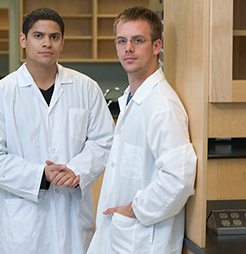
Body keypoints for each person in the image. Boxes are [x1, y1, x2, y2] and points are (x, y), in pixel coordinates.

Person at [0, 7, 115, 254]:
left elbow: (104, 141)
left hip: (72, 216)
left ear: (62, 43)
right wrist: (41, 175)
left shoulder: (86, 88)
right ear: (23, 40)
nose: (46, 43)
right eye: (38, 36)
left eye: (54, 36)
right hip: (22, 221)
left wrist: (77, 170)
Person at [87, 6, 197, 254]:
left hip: (143, 241)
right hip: (122, 237)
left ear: (157, 46)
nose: (128, 48)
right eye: (122, 41)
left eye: (138, 40)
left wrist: (133, 210)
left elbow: (179, 179)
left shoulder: (162, 106)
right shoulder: (132, 99)